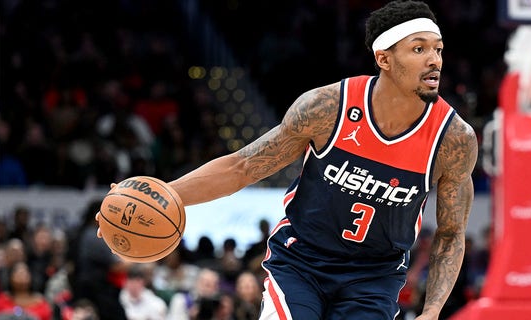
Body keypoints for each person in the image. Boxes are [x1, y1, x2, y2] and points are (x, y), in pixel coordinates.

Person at [97, 1, 478, 319]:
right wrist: (161, 194)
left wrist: (431, 312)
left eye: (438, 49)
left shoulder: (454, 140)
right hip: (302, 261)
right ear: (384, 58)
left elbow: (450, 233)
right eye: (419, 48)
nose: (434, 60)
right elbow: (242, 166)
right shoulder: (328, 108)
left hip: (374, 276)